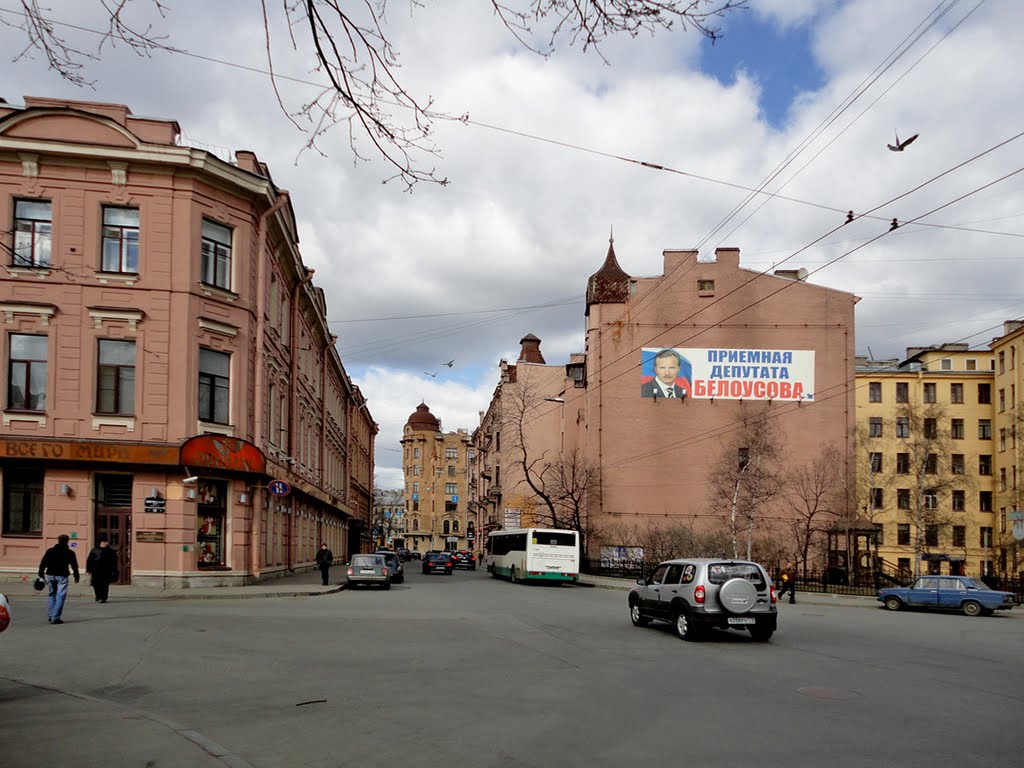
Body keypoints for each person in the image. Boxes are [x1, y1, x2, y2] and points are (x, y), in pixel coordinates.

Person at [38, 534, 80, 624]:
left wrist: (41, 573)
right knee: (60, 596)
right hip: (62, 575)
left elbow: (43, 562)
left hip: (50, 574)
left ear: (58, 540)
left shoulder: (50, 551)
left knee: (52, 594)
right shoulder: (70, 552)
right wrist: (76, 576)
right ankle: (55, 617)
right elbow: (74, 566)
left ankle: (50, 615)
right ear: (67, 541)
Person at [86, 533, 119, 603]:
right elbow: (89, 560)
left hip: (106, 571)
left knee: (104, 585)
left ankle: (104, 598)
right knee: (95, 584)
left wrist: (114, 570)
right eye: (105, 542)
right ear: (101, 542)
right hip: (96, 570)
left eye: (107, 542)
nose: (106, 543)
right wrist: (88, 570)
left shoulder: (110, 551)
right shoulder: (94, 550)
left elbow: (114, 561)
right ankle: (98, 596)